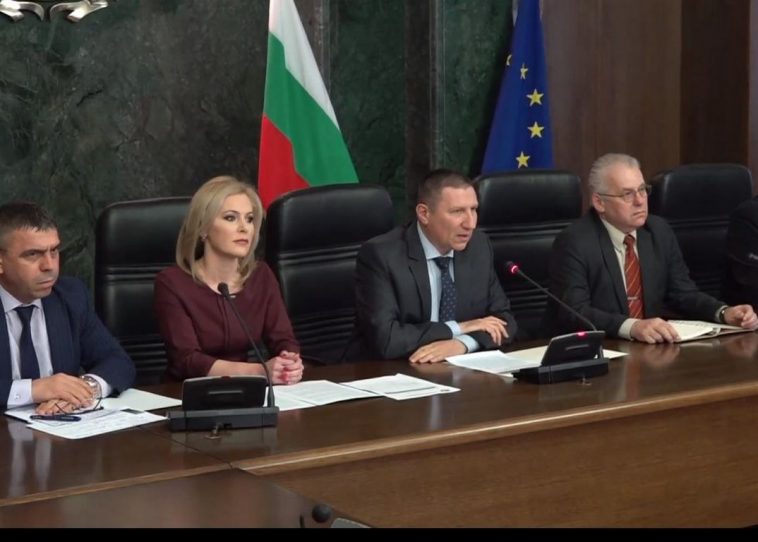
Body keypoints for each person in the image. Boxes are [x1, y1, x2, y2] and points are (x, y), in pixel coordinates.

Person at [547, 153, 758, 343]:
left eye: (642, 190)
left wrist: (724, 313)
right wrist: (632, 327)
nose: (640, 201)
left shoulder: (658, 231)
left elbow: (683, 294)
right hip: (601, 351)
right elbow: (575, 312)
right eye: (627, 194)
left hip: (650, 350)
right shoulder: (575, 242)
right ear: (599, 202)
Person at [355, 169, 517, 363]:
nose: (470, 224)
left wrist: (463, 343)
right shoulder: (382, 256)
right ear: (424, 214)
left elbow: (504, 321)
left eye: (473, 209)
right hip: (396, 369)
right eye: (457, 211)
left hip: (457, 368)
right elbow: (387, 340)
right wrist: (459, 328)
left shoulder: (478, 246)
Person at [154, 176, 303, 384]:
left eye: (249, 219)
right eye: (231, 218)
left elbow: (283, 339)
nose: (244, 228)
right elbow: (186, 360)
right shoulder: (172, 283)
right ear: (203, 227)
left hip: (248, 390)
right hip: (188, 393)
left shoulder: (260, 275)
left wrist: (289, 362)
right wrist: (259, 371)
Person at [0, 202, 135, 413]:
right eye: (33, 254)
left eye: (54, 251)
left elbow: (117, 361)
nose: (49, 265)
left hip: (60, 426)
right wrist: (34, 390)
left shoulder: (71, 295)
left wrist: (83, 390)